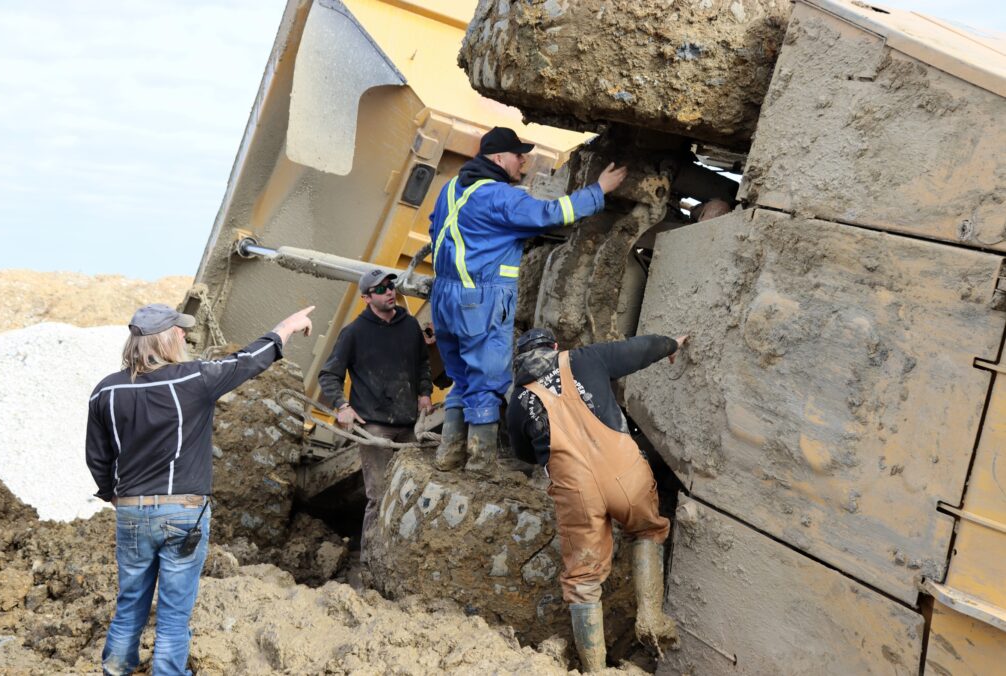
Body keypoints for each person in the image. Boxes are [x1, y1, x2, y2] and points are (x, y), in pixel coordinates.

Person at [86, 302, 314, 676]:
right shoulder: (194, 379)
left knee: (129, 604)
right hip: (184, 513)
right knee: (174, 615)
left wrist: (113, 494)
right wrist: (286, 327)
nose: (185, 334)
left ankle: (115, 670)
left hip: (131, 510)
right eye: (179, 329)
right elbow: (248, 361)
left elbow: (97, 456)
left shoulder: (105, 392)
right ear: (165, 339)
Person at [429, 126, 628, 475]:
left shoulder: (451, 189)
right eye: (518, 155)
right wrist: (599, 190)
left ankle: (449, 453)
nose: (523, 161)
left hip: (444, 296)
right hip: (481, 299)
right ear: (498, 158)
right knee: (487, 380)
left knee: (461, 377)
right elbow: (550, 213)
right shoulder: (499, 196)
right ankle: (480, 461)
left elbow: (435, 228)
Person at [506, 327, 689, 672]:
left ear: (519, 361)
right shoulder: (585, 358)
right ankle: (650, 617)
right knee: (647, 531)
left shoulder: (518, 401)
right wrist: (670, 344)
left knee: (583, 581)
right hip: (626, 473)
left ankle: (595, 670)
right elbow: (637, 350)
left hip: (577, 492)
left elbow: (523, 453)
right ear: (554, 346)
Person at [317, 268, 432, 562]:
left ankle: (404, 557)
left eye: (390, 285)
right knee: (379, 495)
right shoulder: (354, 333)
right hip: (374, 428)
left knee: (413, 491)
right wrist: (343, 406)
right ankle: (370, 561)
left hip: (409, 426)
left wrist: (424, 392)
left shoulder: (409, 326)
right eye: (380, 289)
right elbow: (329, 375)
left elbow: (422, 364)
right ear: (367, 298)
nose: (389, 291)